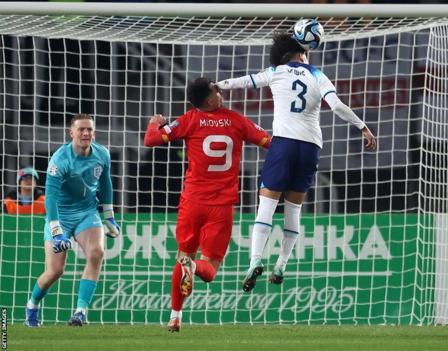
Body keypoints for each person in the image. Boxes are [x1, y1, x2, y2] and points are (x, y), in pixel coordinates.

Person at [217, 32, 377, 292]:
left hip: (283, 144)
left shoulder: (276, 71)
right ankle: (281, 263)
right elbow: (336, 107)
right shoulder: (317, 74)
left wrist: (218, 86)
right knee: (293, 210)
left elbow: (242, 82)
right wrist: (363, 127)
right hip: (311, 146)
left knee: (266, 206)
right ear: (305, 51)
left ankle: (255, 261)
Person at [144, 77, 271, 332]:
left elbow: (151, 140)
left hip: (192, 202)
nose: (220, 91)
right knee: (210, 269)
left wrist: (154, 122)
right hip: (221, 207)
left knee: (183, 257)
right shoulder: (236, 120)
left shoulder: (189, 119)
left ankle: (175, 316)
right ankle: (192, 267)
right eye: (216, 89)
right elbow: (269, 143)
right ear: (210, 99)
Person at [24, 113, 120, 327]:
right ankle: (32, 304)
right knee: (55, 270)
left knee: (97, 252)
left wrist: (109, 217)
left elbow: (106, 185)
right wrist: (57, 231)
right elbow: (50, 198)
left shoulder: (102, 154)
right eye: (81, 129)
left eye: (89, 129)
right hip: (60, 215)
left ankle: (80, 312)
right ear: (71, 133)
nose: (86, 133)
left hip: (87, 212)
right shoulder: (60, 159)